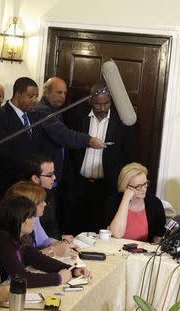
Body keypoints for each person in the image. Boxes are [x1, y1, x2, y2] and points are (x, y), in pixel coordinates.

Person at [62, 84, 136, 234]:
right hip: (78, 183)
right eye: (97, 104)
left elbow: (129, 154)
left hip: (107, 186)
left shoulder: (122, 122)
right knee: (74, 226)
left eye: (106, 103)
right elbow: (68, 147)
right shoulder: (76, 116)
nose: (102, 108)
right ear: (90, 101)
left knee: (101, 228)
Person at [0, 196, 91, 287]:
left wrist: (73, 269)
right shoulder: (1, 241)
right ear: (21, 220)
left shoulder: (19, 238)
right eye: (31, 217)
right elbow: (20, 277)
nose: (34, 221)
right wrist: (58, 278)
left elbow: (41, 260)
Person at [32, 77, 104, 181]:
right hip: (43, 173)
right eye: (59, 93)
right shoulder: (42, 111)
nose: (63, 96)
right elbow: (63, 135)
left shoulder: (56, 109)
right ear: (47, 92)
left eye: (65, 93)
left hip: (56, 171)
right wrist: (89, 140)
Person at [0, 77, 42, 198]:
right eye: (30, 96)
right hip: (8, 185)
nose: (34, 100)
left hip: (29, 185)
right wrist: (27, 171)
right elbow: (0, 153)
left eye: (36, 96)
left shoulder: (34, 116)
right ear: (18, 94)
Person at [4, 181, 77, 258]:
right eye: (40, 201)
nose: (45, 204)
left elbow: (43, 241)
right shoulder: (8, 232)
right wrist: (53, 250)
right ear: (25, 205)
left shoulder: (35, 218)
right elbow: (23, 258)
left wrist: (62, 244)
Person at [106, 163, 166, 243]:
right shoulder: (113, 201)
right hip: (116, 251)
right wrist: (125, 199)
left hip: (143, 253)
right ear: (126, 187)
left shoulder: (155, 203)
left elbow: (158, 239)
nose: (144, 189)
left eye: (145, 184)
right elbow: (116, 234)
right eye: (138, 186)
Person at [24, 153, 63, 239]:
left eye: (54, 173)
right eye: (50, 175)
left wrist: (61, 239)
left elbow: (52, 225)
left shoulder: (49, 192)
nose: (54, 177)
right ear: (35, 178)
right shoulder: (23, 200)